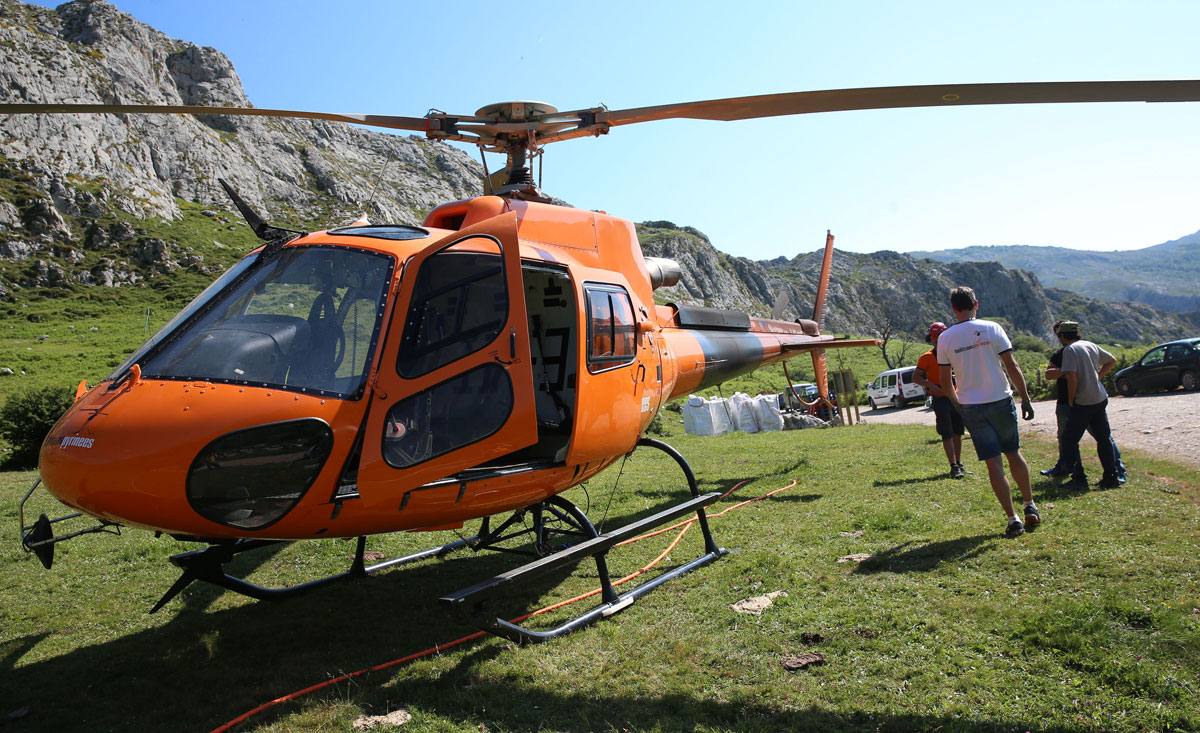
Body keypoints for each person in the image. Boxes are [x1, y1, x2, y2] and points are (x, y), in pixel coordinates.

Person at [937, 286, 1040, 538]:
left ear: (953, 308)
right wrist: (1025, 398)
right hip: (1000, 399)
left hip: (971, 406)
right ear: (976, 304)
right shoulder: (992, 328)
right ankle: (1029, 504)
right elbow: (1012, 365)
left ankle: (1013, 519)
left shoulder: (945, 338)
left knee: (993, 463)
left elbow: (945, 381)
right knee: (1013, 453)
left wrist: (957, 404)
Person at [1040, 321, 1128, 483]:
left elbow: (1072, 377)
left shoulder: (1070, 350)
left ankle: (1079, 479)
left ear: (1062, 336)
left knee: (1068, 440)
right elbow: (1111, 360)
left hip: (1083, 401)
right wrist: (1097, 378)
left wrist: (1072, 399)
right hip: (1099, 398)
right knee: (1103, 438)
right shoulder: (1089, 345)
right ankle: (1111, 476)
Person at [914, 321, 965, 479]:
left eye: (940, 336)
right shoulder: (926, 358)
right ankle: (953, 466)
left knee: (958, 431)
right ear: (931, 339)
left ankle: (959, 463)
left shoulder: (954, 352)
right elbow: (916, 377)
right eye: (935, 337)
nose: (938, 340)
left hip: (956, 397)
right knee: (947, 433)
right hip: (940, 400)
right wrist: (930, 385)